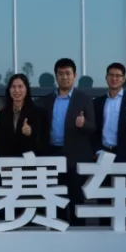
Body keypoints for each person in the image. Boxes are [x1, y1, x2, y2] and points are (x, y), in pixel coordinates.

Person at [37, 58, 95, 226]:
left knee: (76, 198)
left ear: (74, 75)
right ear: (56, 76)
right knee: (56, 197)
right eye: (61, 74)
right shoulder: (46, 100)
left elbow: (93, 127)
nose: (64, 77)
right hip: (52, 154)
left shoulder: (84, 99)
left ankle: (79, 233)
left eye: (68, 73)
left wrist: (84, 124)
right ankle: (59, 232)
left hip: (75, 156)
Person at [92, 61, 126, 162]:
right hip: (102, 153)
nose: (114, 78)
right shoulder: (97, 102)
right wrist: (97, 150)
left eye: (118, 76)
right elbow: (94, 129)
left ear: (123, 79)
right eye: (111, 75)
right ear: (106, 78)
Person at [0, 74, 48, 157]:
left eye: (20, 86)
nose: (17, 90)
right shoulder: (3, 114)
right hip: (7, 161)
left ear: (26, 89)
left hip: (29, 161)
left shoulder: (38, 113)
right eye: (13, 87)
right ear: (9, 90)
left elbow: (43, 140)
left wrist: (30, 133)